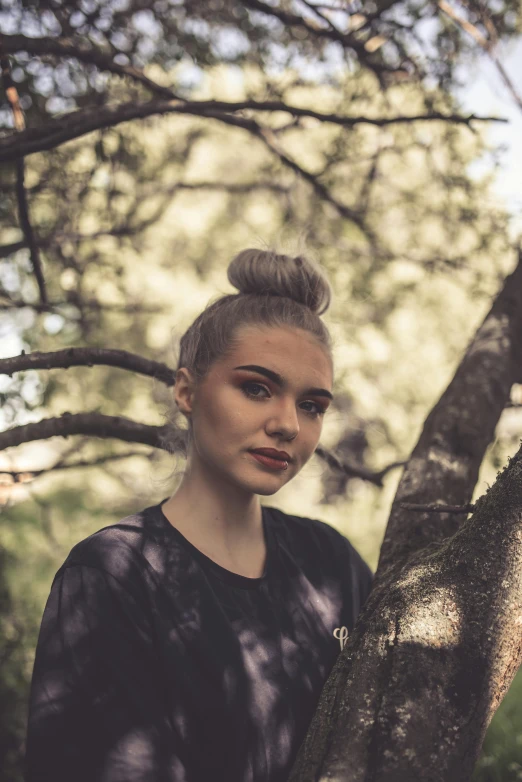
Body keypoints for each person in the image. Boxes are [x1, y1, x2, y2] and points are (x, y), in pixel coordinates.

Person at [25, 248, 373, 782]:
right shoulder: (112, 575)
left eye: (312, 405)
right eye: (256, 388)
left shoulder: (332, 565)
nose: (287, 425)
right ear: (187, 390)